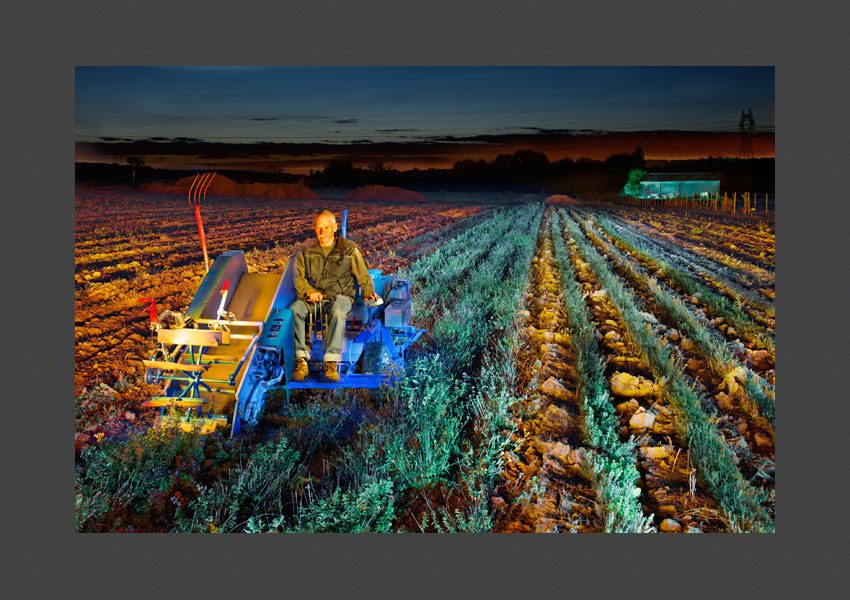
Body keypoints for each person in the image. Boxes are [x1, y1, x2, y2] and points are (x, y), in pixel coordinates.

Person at [291, 210, 380, 382]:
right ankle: (301, 361)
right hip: (316, 298)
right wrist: (309, 291)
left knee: (337, 310)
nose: (322, 232)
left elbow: (362, 275)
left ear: (335, 228)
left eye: (326, 227)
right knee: (295, 310)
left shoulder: (348, 249)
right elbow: (299, 279)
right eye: (318, 228)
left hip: (342, 296)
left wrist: (369, 293)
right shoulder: (306, 251)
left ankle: (331, 363)